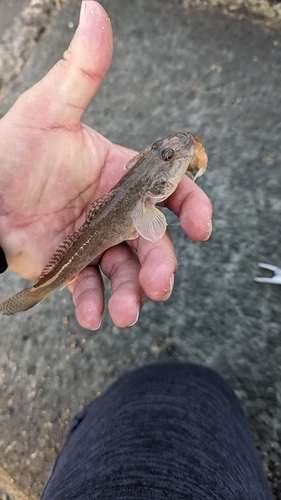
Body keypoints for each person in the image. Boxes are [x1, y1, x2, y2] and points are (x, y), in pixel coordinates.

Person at [0, 2, 273, 499]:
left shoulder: (142, 189)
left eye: (168, 155)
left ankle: (35, 290)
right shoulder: (144, 201)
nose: (174, 154)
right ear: (151, 178)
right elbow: (149, 226)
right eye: (165, 155)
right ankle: (34, 292)